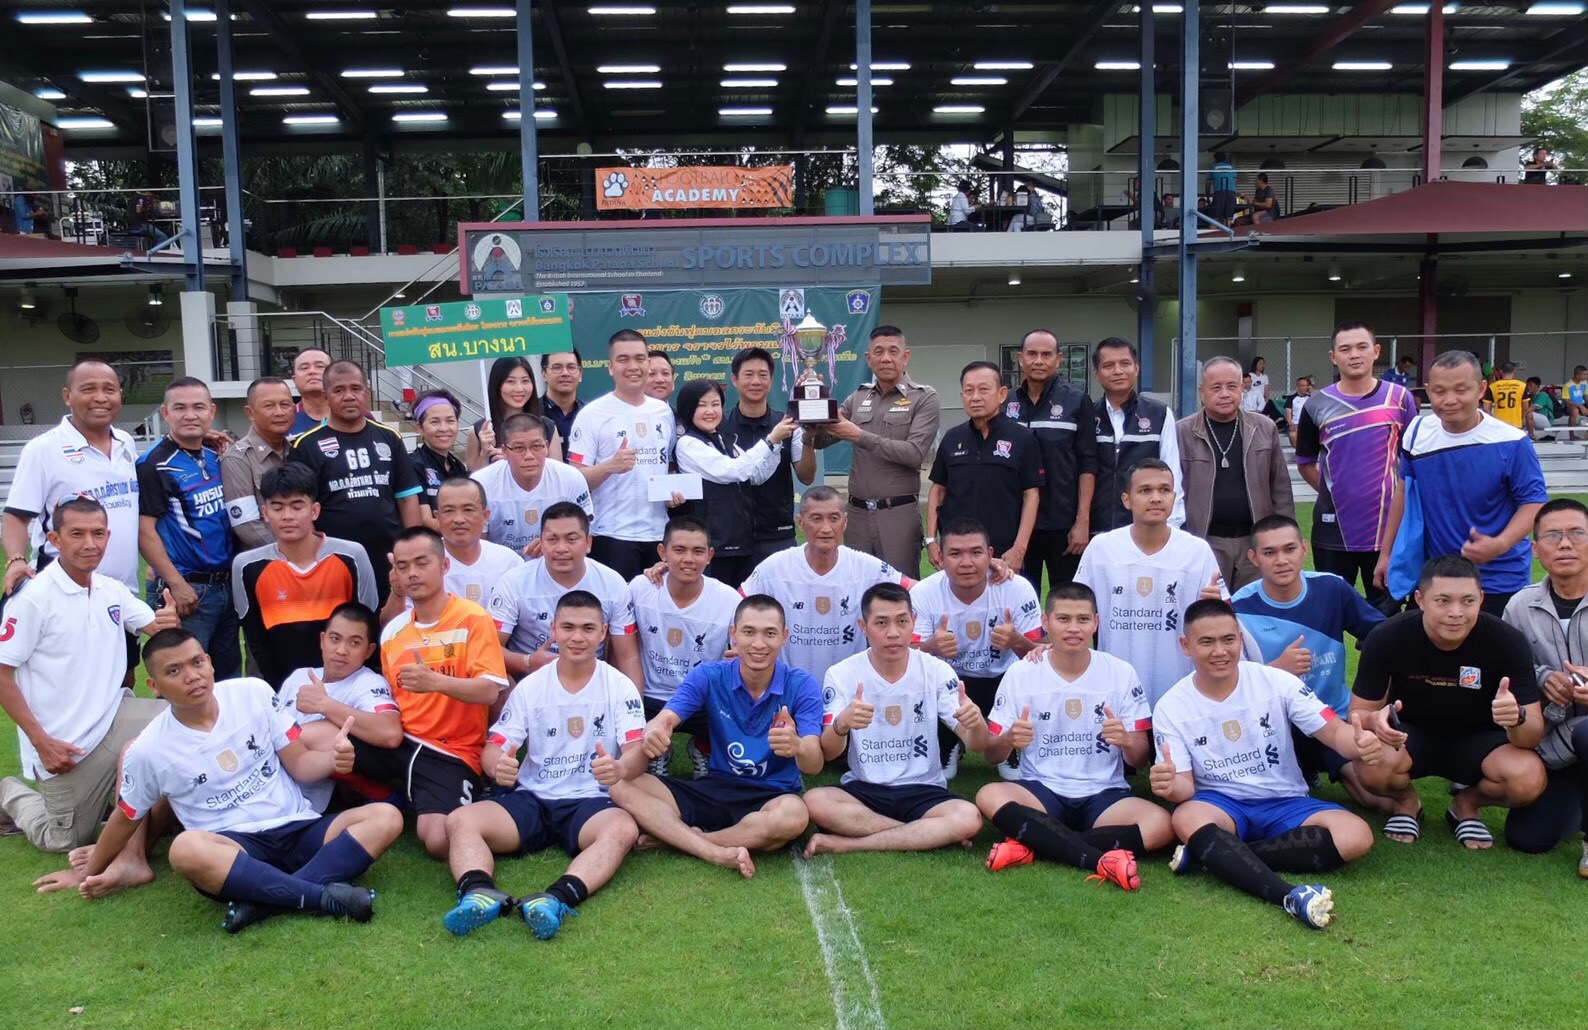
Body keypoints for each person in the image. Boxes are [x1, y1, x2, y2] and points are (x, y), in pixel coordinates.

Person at [75, 629, 402, 933]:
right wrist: (90, 871)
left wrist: (333, 760)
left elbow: (301, 764)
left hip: (298, 827)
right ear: (154, 686)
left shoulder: (253, 692)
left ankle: (264, 903)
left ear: (210, 663)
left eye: (197, 662)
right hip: (233, 849)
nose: (192, 676)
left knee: (386, 817)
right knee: (185, 849)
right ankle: (317, 896)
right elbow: (125, 817)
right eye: (174, 671)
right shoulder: (148, 749)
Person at [1150, 599, 1379, 930]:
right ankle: (1288, 895)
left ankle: (1214, 856)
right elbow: (1184, 788)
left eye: (1228, 639)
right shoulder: (1171, 705)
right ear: (1186, 646)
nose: (1220, 651)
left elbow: (1332, 731)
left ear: (1240, 639)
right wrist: (1170, 786)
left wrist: (1359, 743)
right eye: (1206, 642)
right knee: (1186, 815)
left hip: (1285, 799)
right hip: (1222, 805)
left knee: (1356, 836)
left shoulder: (1275, 681)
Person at [441, 590, 645, 941]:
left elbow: (637, 753)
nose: (577, 637)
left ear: (602, 633)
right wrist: (498, 766)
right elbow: (495, 747)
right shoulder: (532, 686)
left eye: (588, 628)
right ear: (553, 629)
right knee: (460, 820)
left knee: (623, 829)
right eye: (568, 627)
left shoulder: (619, 685)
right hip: (533, 798)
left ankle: (554, 899)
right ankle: (479, 893)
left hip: (590, 802)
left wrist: (620, 769)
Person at [0, 498, 177, 871]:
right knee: (63, 840)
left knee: (181, 724)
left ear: (108, 536)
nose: (89, 544)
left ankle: (162, 812)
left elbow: (154, 627)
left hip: (117, 718)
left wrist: (166, 621)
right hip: (68, 749)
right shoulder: (33, 599)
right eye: (77, 534)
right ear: (55, 539)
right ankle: (8, 792)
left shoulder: (111, 589)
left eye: (98, 534)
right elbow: (2, 676)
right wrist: (42, 742)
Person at [609, 595, 822, 877]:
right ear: (733, 634)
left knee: (795, 815)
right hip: (715, 786)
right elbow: (666, 717)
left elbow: (814, 765)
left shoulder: (803, 684)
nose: (759, 643)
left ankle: (679, 838)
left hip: (772, 795)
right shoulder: (709, 675)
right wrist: (656, 730)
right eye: (749, 632)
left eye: (770, 633)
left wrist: (798, 747)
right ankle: (712, 849)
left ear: (784, 636)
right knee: (621, 785)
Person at [976, 582, 1172, 887]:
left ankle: (1034, 843)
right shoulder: (1021, 673)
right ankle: (1099, 859)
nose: (1073, 628)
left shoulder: (1120, 672)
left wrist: (1126, 740)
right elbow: (991, 754)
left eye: (1083, 619)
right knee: (988, 795)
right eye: (1063, 619)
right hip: (1041, 791)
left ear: (1096, 622)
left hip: (1105, 794)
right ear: (1046, 621)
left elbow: (1139, 757)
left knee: (1161, 825)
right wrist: (1009, 740)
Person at [1351, 555, 1546, 849]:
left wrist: (1516, 717)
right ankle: (1406, 803)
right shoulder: (1387, 636)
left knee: (1528, 779)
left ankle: (1466, 805)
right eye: (1443, 601)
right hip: (1409, 737)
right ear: (1420, 599)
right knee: (1370, 764)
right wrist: (1373, 721)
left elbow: (1531, 736)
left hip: (1481, 741)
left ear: (1481, 599)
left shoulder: (1507, 641)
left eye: (1468, 601)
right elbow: (1358, 712)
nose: (1456, 612)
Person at [355, 528, 509, 860]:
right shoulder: (393, 631)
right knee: (320, 736)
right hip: (401, 742)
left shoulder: (472, 618)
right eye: (403, 566)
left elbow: (489, 691)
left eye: (421, 563)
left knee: (439, 841)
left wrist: (435, 682)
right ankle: (389, 796)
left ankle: (463, 797)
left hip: (451, 752)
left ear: (444, 565)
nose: (412, 573)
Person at [803, 583, 986, 857]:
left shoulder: (936, 670)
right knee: (815, 801)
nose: (893, 633)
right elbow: (829, 752)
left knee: (969, 816)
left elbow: (977, 744)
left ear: (913, 621)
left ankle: (851, 843)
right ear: (863, 627)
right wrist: (841, 724)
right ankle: (923, 834)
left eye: (902, 621)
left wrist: (976, 723)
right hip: (865, 789)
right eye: (881, 623)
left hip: (924, 788)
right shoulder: (841, 673)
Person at [1377, 350, 1548, 615]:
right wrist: (1387, 554)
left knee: (1493, 644)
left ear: (1481, 389)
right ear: (1427, 391)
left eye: (1461, 390)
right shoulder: (1417, 433)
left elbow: (1534, 503)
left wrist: (1500, 543)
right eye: (1439, 391)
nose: (1449, 400)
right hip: (1437, 577)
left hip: (1499, 579)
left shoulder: (1512, 442)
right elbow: (1403, 492)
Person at [1231, 516, 1386, 795]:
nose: (1281, 560)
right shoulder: (1238, 607)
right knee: (1268, 795)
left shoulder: (1332, 588)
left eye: (1289, 549)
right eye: (1269, 552)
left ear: (1304, 549)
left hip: (1332, 719)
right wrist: (1276, 670)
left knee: (1376, 795)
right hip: (1273, 727)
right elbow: (1227, 681)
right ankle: (1302, 767)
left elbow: (1383, 636)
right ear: (1254, 558)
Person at [1076, 459, 1226, 706]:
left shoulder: (1197, 551)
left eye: (1164, 490)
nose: (1156, 498)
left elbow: (1223, 615)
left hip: (1179, 687)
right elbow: (1076, 612)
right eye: (1145, 490)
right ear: (1126, 500)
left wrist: (1215, 605)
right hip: (1115, 687)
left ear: (1174, 497)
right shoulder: (1101, 548)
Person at [1293, 322, 1418, 615]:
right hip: (1333, 530)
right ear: (1333, 356)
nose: (1354, 354)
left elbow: (1412, 461)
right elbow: (1305, 462)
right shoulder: (1316, 405)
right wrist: (1335, 492)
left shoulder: (1400, 398)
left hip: (1387, 530)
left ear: (1376, 351)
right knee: (1332, 614)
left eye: (1362, 347)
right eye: (1345, 349)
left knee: (1387, 618)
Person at [4, 360, 142, 609]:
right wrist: (16, 559)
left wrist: (196, 439)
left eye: (109, 389)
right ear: (67, 396)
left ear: (120, 395)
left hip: (122, 595)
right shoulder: (42, 450)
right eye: (89, 389)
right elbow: (16, 515)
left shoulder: (126, 443)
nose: (100, 397)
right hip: (64, 594)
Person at [911, 518, 1042, 776]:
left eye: (976, 552)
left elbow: (1044, 654)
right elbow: (907, 659)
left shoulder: (1017, 588)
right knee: (925, 674)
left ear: (990, 555)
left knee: (1026, 673)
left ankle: (1007, 745)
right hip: (951, 680)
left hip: (1002, 677)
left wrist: (1016, 640)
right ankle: (947, 742)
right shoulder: (924, 592)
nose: (966, 562)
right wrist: (931, 647)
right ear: (940, 557)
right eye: (955, 554)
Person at [288, 360, 423, 606]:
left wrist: (412, 550)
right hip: (333, 561)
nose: (348, 396)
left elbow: (406, 497)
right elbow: (300, 508)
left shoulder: (389, 437)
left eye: (355, 388)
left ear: (366, 393)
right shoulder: (306, 445)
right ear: (326, 396)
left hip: (388, 558)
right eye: (339, 390)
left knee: (393, 624)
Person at [233, 464, 379, 690]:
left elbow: (367, 627)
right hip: (281, 690)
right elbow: (255, 640)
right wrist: (281, 692)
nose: (287, 516)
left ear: (315, 510)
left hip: (348, 688)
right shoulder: (246, 566)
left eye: (297, 506)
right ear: (265, 513)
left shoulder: (352, 556)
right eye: (277, 507)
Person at [741, 486, 913, 678]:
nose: (826, 528)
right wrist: (740, 646)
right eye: (816, 519)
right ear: (800, 522)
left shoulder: (865, 566)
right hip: (790, 686)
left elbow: (917, 590)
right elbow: (737, 603)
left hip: (849, 685)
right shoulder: (775, 567)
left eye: (834, 518)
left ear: (845, 522)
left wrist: (920, 638)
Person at [1500, 498, 1588, 871]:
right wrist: (1543, 678)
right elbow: (1507, 668)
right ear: (1535, 549)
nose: (1565, 544)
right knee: (1527, 838)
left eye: (1577, 533)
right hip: (1558, 744)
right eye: (1553, 536)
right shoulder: (1521, 605)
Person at [811, 325, 940, 576]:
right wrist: (813, 404)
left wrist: (859, 436)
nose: (886, 358)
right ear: (869, 359)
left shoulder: (924, 398)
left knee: (898, 590)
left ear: (906, 357)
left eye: (893, 351)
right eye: (878, 352)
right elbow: (821, 440)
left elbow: (914, 454)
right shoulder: (858, 398)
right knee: (856, 589)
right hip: (857, 515)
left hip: (898, 515)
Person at [137, 377, 239, 679]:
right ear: (165, 413)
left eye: (198, 407)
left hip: (225, 585)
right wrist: (176, 583)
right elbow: (145, 531)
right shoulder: (153, 465)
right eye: (180, 408)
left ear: (211, 411)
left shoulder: (214, 454)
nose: (190, 415)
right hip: (187, 588)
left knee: (227, 678)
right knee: (185, 680)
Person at [629, 516, 741, 777]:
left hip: (703, 697)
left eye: (698, 551)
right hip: (650, 696)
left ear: (710, 555)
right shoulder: (640, 588)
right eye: (679, 550)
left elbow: (742, 651)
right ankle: (657, 752)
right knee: (623, 748)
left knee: (740, 716)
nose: (688, 559)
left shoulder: (728, 599)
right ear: (662, 552)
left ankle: (703, 748)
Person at [488, 502, 642, 687]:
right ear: (541, 542)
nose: (561, 548)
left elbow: (628, 657)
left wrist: (635, 704)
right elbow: (488, 648)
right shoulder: (514, 582)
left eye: (571, 539)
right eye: (552, 539)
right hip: (529, 683)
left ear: (588, 542)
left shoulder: (612, 583)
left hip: (593, 683)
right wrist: (527, 662)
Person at [567, 330, 678, 581]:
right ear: (610, 367)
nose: (633, 366)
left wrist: (672, 493)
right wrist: (610, 466)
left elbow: (666, 466)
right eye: (623, 359)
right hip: (611, 535)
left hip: (658, 535)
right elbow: (574, 481)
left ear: (648, 363)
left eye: (639, 358)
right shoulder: (592, 414)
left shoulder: (663, 412)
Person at [1177, 356, 1295, 591]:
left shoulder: (1264, 428)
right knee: (1208, 606)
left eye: (1232, 386)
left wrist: (1285, 537)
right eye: (1216, 387)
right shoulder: (1182, 432)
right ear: (1202, 392)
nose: (1225, 394)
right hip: (1204, 541)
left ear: (1242, 388)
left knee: (1256, 608)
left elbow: (1280, 488)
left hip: (1256, 541)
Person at [273, 602, 403, 813]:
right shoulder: (299, 676)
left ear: (369, 651)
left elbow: (391, 733)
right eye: (335, 639)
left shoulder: (369, 682)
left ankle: (377, 794)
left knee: (312, 733)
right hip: (278, 775)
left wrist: (325, 705)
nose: (342, 650)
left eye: (354, 643)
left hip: (320, 783)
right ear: (322, 640)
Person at [673, 379, 796, 587]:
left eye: (715, 404)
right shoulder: (689, 444)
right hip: (713, 546)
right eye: (702, 405)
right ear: (688, 408)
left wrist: (776, 445)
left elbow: (756, 476)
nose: (710, 411)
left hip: (741, 543)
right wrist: (770, 440)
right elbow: (734, 471)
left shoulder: (724, 440)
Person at [1004, 329, 1097, 593]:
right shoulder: (1005, 402)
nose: (1038, 361)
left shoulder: (1077, 400)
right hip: (1017, 525)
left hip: (1063, 524)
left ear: (1059, 359)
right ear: (1020, 358)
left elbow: (1088, 463)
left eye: (1046, 354)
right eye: (1032, 354)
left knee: (1067, 601)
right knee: (1020, 600)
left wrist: (1082, 521)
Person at [926, 361, 1043, 570]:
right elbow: (938, 490)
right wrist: (931, 540)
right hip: (957, 553)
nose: (975, 397)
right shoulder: (952, 437)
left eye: (984, 389)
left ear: (1002, 394)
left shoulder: (1023, 438)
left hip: (1003, 553)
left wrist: (1019, 548)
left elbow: (1031, 495)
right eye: (968, 391)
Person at [721, 346, 816, 567]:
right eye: (748, 374)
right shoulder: (720, 426)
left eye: (763, 375)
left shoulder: (788, 424)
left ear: (771, 381)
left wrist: (809, 439)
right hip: (731, 536)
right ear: (735, 380)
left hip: (777, 534)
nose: (756, 381)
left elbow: (807, 477)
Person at [1089, 337, 1183, 534]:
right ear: (1096, 374)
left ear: (1137, 368)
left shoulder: (1159, 414)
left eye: (1125, 363)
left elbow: (1173, 472)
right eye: (1108, 365)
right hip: (1096, 529)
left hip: (1146, 530)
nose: (1118, 371)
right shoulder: (1087, 415)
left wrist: (1172, 525)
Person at [471, 414, 593, 558]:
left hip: (555, 560)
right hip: (501, 564)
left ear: (546, 447)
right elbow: (477, 544)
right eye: (519, 448)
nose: (529, 455)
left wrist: (551, 543)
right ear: (504, 451)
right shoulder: (482, 483)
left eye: (536, 446)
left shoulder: (571, 478)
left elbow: (583, 532)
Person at [416, 477, 524, 611]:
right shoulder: (420, 565)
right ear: (437, 517)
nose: (459, 519)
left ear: (485, 516)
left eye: (468, 510)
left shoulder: (509, 562)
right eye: (449, 511)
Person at [221, 377, 295, 551]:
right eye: (269, 406)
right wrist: (290, 553)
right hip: (267, 558)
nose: (279, 412)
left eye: (285, 405)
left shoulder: (297, 449)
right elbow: (246, 526)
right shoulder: (238, 458)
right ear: (250, 412)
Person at [467, 356, 560, 471]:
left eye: (525, 381)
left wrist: (513, 458)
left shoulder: (548, 427)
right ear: (497, 385)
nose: (519, 389)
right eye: (510, 381)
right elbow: (473, 479)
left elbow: (557, 473)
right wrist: (484, 454)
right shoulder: (480, 431)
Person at [408, 390, 468, 529]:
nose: (444, 428)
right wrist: (465, 530)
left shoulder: (458, 466)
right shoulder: (413, 465)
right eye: (435, 422)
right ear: (420, 428)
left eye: (450, 421)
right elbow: (425, 520)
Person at [541, 348, 585, 446]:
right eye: (557, 368)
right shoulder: (532, 413)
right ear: (544, 374)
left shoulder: (590, 414)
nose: (565, 373)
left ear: (580, 375)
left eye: (571, 367)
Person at [288, 347, 332, 437]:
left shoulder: (355, 416)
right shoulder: (284, 419)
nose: (312, 371)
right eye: (304, 368)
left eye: (320, 366)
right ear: (294, 380)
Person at [1483, 362, 1528, 431]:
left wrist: (1492, 420)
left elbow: (1486, 408)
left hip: (1498, 424)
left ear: (1501, 371)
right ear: (1514, 371)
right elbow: (1525, 408)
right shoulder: (1522, 386)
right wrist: (1521, 419)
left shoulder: (1492, 386)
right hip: (1515, 423)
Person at [1206, 151, 1238, 223]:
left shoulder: (1212, 167)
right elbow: (1235, 181)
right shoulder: (1231, 167)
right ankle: (1226, 230)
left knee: (1215, 218)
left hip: (1219, 193)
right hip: (1231, 192)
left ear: (1215, 159)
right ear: (1224, 159)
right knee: (1228, 217)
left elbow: (1208, 183)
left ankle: (1213, 230)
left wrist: (1207, 196)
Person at [1525, 376, 1557, 440]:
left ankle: (1531, 437)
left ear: (1537, 386)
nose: (1528, 387)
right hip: (1535, 420)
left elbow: (1532, 408)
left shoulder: (1542, 395)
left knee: (1529, 414)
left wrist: (1520, 415)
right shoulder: (1529, 397)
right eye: (1527, 385)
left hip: (1546, 420)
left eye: (1530, 385)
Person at [1286, 376, 1313, 448]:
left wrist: (1312, 392)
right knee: (1293, 434)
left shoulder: (1310, 398)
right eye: (1302, 386)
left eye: (1306, 385)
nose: (1305, 387)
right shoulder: (1291, 399)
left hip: (1308, 424)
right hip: (1296, 424)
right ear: (1297, 387)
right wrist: (1290, 424)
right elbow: (1288, 414)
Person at [1563, 365, 1588, 439]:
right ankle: (1572, 435)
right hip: (1570, 405)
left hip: (1582, 404)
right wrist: (1580, 406)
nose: (1586, 376)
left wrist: (1584, 406)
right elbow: (1566, 401)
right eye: (1584, 374)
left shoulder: (1585, 383)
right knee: (1574, 411)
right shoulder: (1568, 385)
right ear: (1577, 375)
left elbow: (1586, 396)